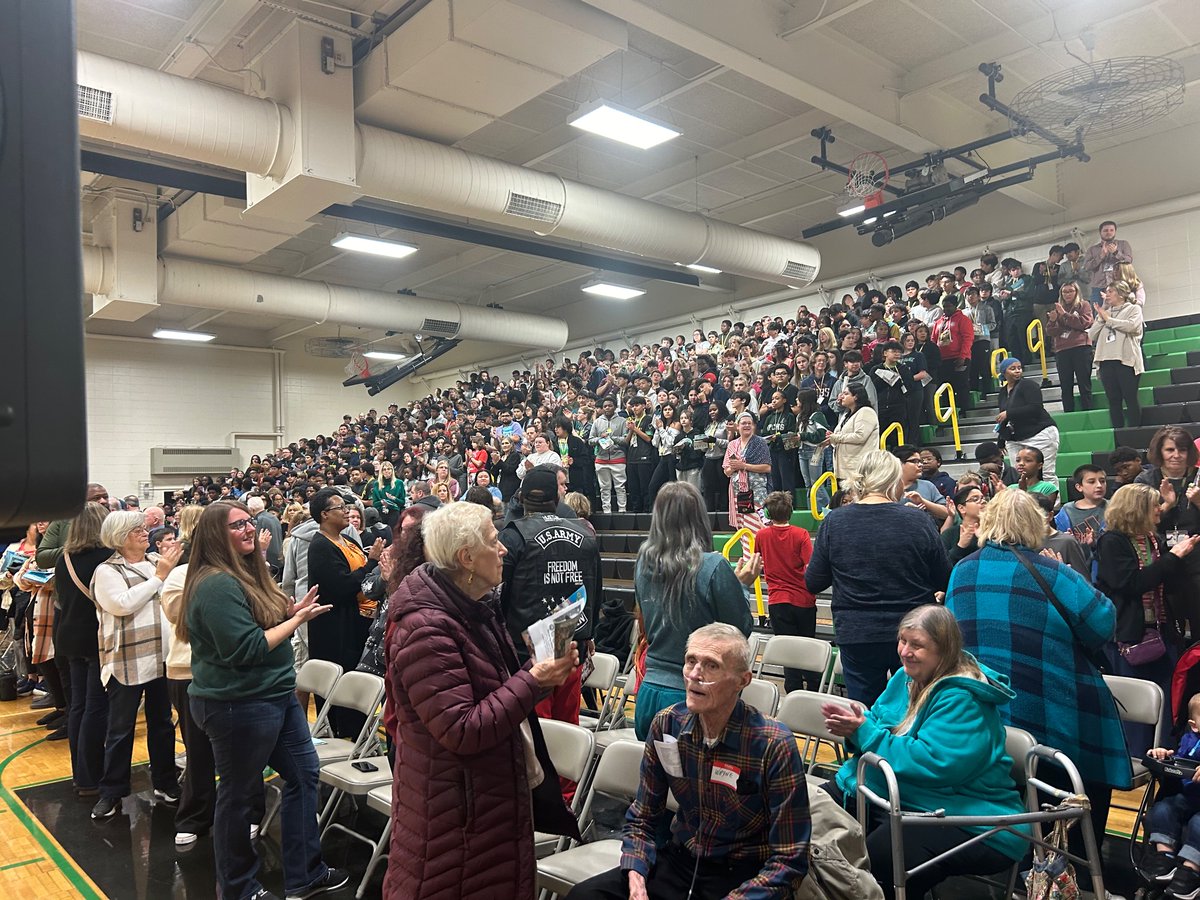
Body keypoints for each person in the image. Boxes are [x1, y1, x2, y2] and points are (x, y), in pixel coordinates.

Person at [382, 502, 580, 899]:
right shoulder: (427, 629)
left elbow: (493, 694)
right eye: (494, 541)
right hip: (457, 815)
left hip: (482, 801)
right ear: (466, 557)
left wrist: (543, 675)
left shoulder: (472, 607)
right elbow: (462, 729)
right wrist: (531, 679)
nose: (504, 549)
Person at [944, 488, 1131, 892]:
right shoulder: (1053, 572)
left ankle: (1022, 872)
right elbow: (1102, 624)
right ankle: (1075, 879)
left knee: (1018, 799)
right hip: (1052, 709)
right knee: (1077, 793)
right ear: (1036, 526)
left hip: (989, 716)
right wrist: (1067, 571)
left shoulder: (963, 570)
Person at [568, 624, 810, 900]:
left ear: (742, 680)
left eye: (711, 666)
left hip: (742, 874)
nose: (695, 675)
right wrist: (635, 875)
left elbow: (790, 859)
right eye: (691, 661)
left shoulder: (773, 744)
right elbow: (644, 817)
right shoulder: (668, 725)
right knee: (585, 895)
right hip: (681, 860)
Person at [179, 501, 345, 900]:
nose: (249, 529)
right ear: (217, 536)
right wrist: (297, 622)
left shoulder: (246, 574)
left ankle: (305, 874)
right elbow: (247, 648)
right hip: (238, 704)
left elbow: (257, 621)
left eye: (249, 521)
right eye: (237, 526)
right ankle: (239, 889)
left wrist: (290, 610)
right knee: (237, 797)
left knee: (304, 775)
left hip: (273, 696)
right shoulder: (216, 583)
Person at [822, 605, 1027, 900]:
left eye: (917, 645)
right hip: (894, 796)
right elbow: (877, 722)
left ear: (945, 651)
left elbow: (932, 762)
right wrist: (856, 731)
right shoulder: (904, 678)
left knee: (882, 858)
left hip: (969, 816)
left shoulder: (964, 699)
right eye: (903, 641)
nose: (905, 651)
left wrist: (864, 733)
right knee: (803, 815)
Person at [805, 451, 950, 705]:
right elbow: (944, 579)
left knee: (864, 714)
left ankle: (866, 747)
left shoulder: (834, 522)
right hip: (913, 630)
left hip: (858, 632)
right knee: (915, 709)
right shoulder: (917, 520)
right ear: (894, 481)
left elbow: (814, 582)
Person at [633, 482, 756, 739]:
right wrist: (742, 586)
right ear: (699, 517)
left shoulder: (643, 562)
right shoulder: (713, 565)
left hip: (649, 691)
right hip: (692, 694)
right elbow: (738, 632)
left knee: (653, 777)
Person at [89, 510, 183, 820]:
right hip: (126, 660)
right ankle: (111, 791)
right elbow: (122, 604)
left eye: (144, 528)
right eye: (136, 530)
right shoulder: (107, 571)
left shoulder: (158, 562)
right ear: (119, 537)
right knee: (120, 730)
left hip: (162, 658)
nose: (145, 533)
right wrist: (159, 577)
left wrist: (164, 572)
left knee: (162, 725)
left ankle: (166, 782)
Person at [1096, 484, 1199, 754]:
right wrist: (1173, 558)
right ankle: (1137, 759)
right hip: (1130, 635)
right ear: (1137, 508)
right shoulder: (1112, 541)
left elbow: (1166, 580)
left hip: (1161, 630)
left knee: (1166, 702)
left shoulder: (1151, 539)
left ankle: (1163, 755)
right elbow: (1131, 583)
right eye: (1154, 505)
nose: (1159, 510)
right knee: (1138, 706)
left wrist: (1178, 559)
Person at [498, 466, 601, 727]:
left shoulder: (511, 536)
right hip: (572, 647)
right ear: (556, 499)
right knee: (568, 733)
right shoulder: (586, 534)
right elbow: (596, 589)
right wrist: (590, 634)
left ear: (521, 498)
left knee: (535, 735)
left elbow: (499, 595)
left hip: (527, 656)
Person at [306, 488, 384, 737]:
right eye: (340, 507)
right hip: (334, 627)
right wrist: (371, 562)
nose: (347, 511)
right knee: (339, 684)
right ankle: (340, 736)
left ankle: (357, 733)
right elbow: (343, 587)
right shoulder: (320, 546)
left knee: (356, 680)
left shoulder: (348, 541)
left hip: (357, 622)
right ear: (325, 514)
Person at [52, 501, 111, 797]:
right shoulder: (106, 558)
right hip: (95, 638)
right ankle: (92, 775)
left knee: (77, 706)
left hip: (68, 636)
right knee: (96, 707)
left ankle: (80, 774)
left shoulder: (64, 558)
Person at [1137, 427, 1200, 632]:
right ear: (1159, 452)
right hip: (1160, 555)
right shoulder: (1145, 481)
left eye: (1182, 449)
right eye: (1170, 449)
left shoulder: (1198, 476)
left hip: (1196, 556)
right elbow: (1137, 524)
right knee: (1169, 624)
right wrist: (1167, 506)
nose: (1176, 455)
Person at [757, 491, 818, 692]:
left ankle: (793, 692)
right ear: (791, 511)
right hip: (803, 599)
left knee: (788, 653)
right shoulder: (801, 535)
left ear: (768, 512)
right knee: (809, 648)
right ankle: (814, 689)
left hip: (777, 600)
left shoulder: (761, 535)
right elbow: (810, 567)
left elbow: (758, 563)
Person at [1140, 692, 1200, 897]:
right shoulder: (1189, 739)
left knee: (1197, 825)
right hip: (1186, 796)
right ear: (1194, 725)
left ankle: (1191, 870)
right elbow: (1179, 760)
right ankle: (1164, 857)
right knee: (1162, 810)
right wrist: (1165, 755)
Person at [1089, 279, 1145, 429]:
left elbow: (1132, 326)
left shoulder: (1133, 309)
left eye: (1110, 291)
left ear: (1121, 294)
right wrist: (1102, 316)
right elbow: (1092, 334)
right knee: (1113, 400)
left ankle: (1135, 432)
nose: (1106, 295)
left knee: (1130, 398)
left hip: (1125, 360)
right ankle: (1119, 434)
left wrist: (1108, 319)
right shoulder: (1104, 313)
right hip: (1106, 361)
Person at [996, 357, 1059, 484]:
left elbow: (1035, 408)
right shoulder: (1003, 392)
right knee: (1019, 475)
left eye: (1019, 368)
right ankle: (1025, 503)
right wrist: (1001, 440)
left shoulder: (1028, 385)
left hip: (1039, 432)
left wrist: (1009, 413)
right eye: (1012, 368)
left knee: (1045, 473)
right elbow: (1003, 419)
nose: (1017, 371)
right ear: (1004, 373)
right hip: (1016, 436)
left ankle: (1052, 503)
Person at [722, 412, 771, 541]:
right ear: (737, 426)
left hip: (757, 491)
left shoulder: (760, 443)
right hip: (738, 493)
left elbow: (767, 467)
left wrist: (743, 465)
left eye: (750, 423)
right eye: (743, 423)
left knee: (760, 523)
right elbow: (726, 471)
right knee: (744, 526)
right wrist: (734, 467)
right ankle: (748, 555)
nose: (747, 426)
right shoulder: (732, 445)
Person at [1047, 280, 1095, 412]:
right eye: (1064, 292)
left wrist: (1064, 315)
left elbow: (1084, 323)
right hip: (1062, 350)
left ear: (1076, 292)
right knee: (1066, 386)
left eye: (1070, 291)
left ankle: (1088, 412)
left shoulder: (1083, 305)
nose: (1067, 294)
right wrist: (1052, 321)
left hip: (1081, 347)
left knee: (1084, 384)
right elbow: (1052, 332)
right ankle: (1069, 413)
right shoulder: (1057, 307)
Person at [827, 382, 879, 485]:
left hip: (858, 470)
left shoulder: (866, 412)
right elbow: (838, 437)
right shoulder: (846, 414)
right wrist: (831, 437)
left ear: (856, 396)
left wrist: (836, 437)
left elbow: (860, 436)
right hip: (844, 469)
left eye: (846, 394)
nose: (842, 397)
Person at [590, 396, 629, 514]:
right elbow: (590, 440)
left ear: (615, 407)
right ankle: (606, 511)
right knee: (604, 488)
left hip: (618, 458)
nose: (607, 408)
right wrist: (599, 439)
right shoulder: (597, 422)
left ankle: (622, 510)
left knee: (620, 487)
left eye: (610, 405)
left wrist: (612, 438)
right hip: (601, 459)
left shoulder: (622, 421)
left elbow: (625, 440)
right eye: (605, 406)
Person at [892, 444, 949, 522]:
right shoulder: (887, 488)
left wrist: (923, 502)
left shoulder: (928, 486)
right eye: (914, 461)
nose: (920, 465)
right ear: (899, 463)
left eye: (920, 461)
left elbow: (947, 513)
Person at [1082, 219, 1134, 303]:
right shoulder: (1092, 249)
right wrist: (1101, 256)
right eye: (1105, 230)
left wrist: (1116, 252)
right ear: (1100, 232)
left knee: (1121, 312)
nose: (1108, 232)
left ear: (1115, 232)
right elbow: (1087, 267)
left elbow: (1129, 261)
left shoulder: (1123, 244)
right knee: (1098, 313)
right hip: (1098, 288)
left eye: (1111, 230)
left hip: (1120, 285)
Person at [1055, 464, 1108, 540]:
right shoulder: (1067, 510)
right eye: (1092, 482)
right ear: (1079, 487)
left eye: (1102, 481)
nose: (1099, 485)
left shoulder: (1113, 507)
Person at [942, 483, 985, 565]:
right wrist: (961, 546)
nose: (983, 501)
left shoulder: (994, 531)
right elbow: (942, 566)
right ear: (962, 508)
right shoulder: (950, 534)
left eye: (983, 498)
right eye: (975, 499)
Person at [367, 460, 407, 527]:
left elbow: (402, 502)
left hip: (394, 512)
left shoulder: (399, 483)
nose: (386, 471)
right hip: (380, 513)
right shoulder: (376, 484)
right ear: (381, 472)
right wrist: (382, 502)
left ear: (392, 470)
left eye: (389, 469)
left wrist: (394, 498)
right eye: (384, 469)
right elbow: (374, 503)